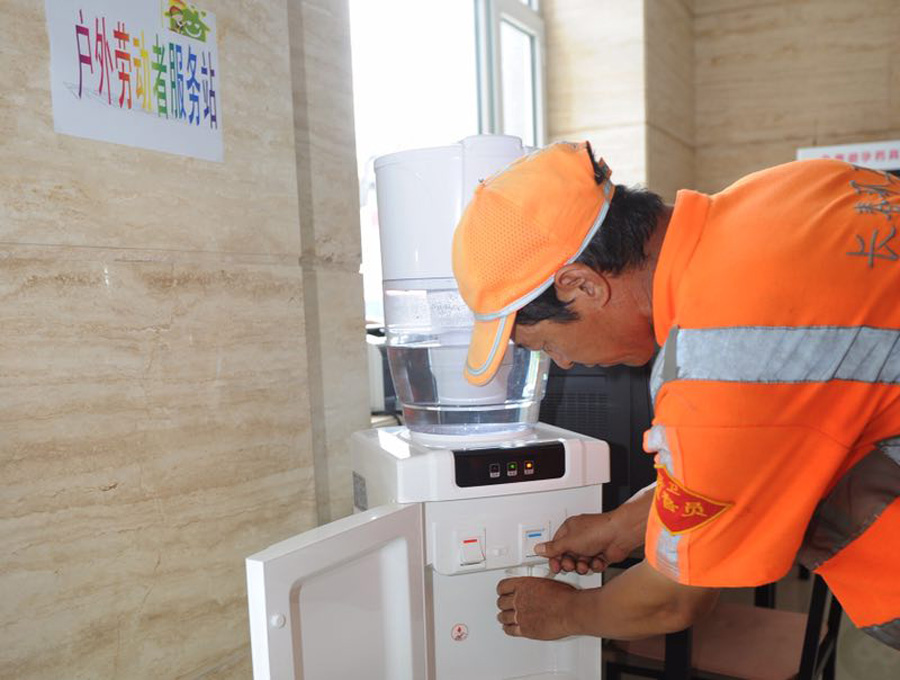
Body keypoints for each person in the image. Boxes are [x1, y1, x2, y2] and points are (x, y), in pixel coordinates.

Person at [451, 141, 900, 649]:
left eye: (548, 345)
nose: (567, 363)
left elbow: (674, 599)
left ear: (581, 285)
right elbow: (752, 455)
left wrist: (566, 612)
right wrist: (623, 524)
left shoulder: (717, 358)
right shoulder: (794, 188)